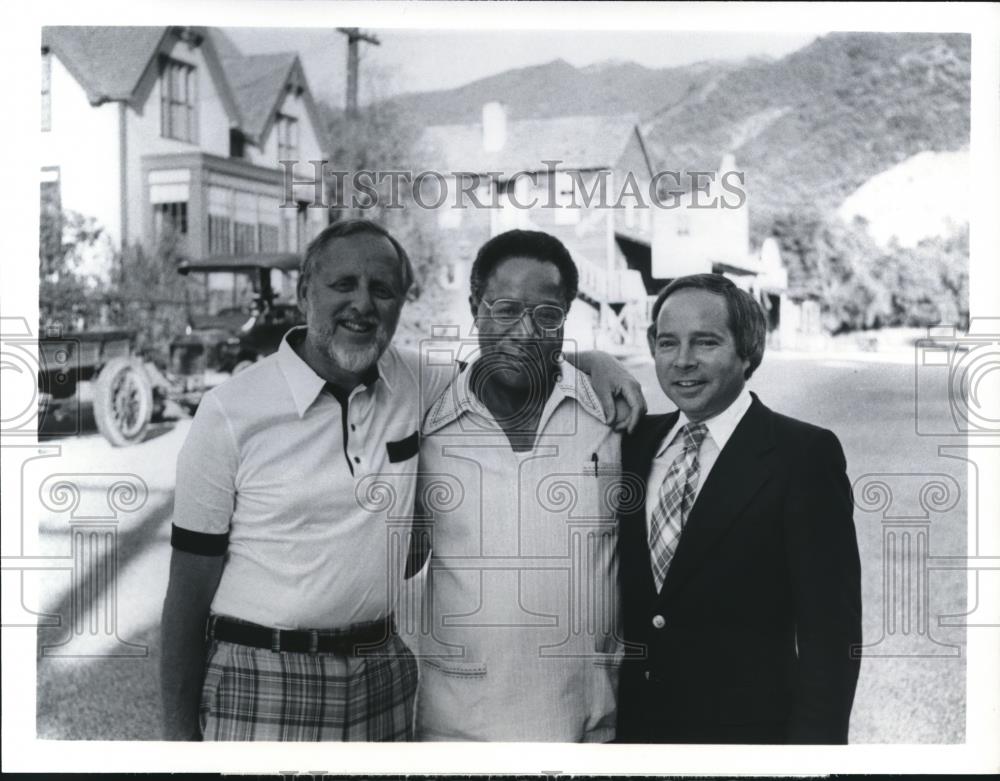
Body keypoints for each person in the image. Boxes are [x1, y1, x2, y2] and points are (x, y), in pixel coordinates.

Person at [160, 219, 645, 741]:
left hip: (380, 676)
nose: (363, 304)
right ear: (304, 292)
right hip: (264, 673)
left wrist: (596, 361)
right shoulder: (230, 411)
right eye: (343, 285)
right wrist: (179, 748)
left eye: (382, 290)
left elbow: (512, 355)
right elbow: (186, 593)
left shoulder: (415, 381)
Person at [616, 273, 862, 744]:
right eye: (668, 343)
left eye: (705, 342)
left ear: (748, 349)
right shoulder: (634, 443)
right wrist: (595, 360)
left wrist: (811, 762)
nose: (683, 361)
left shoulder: (802, 455)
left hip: (749, 741)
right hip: (637, 736)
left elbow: (831, 638)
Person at [410, 229, 623, 742]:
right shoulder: (426, 418)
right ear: (474, 308)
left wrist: (598, 362)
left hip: (589, 730)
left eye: (547, 314)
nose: (525, 332)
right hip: (459, 733)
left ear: (567, 317)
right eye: (505, 309)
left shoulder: (610, 417)